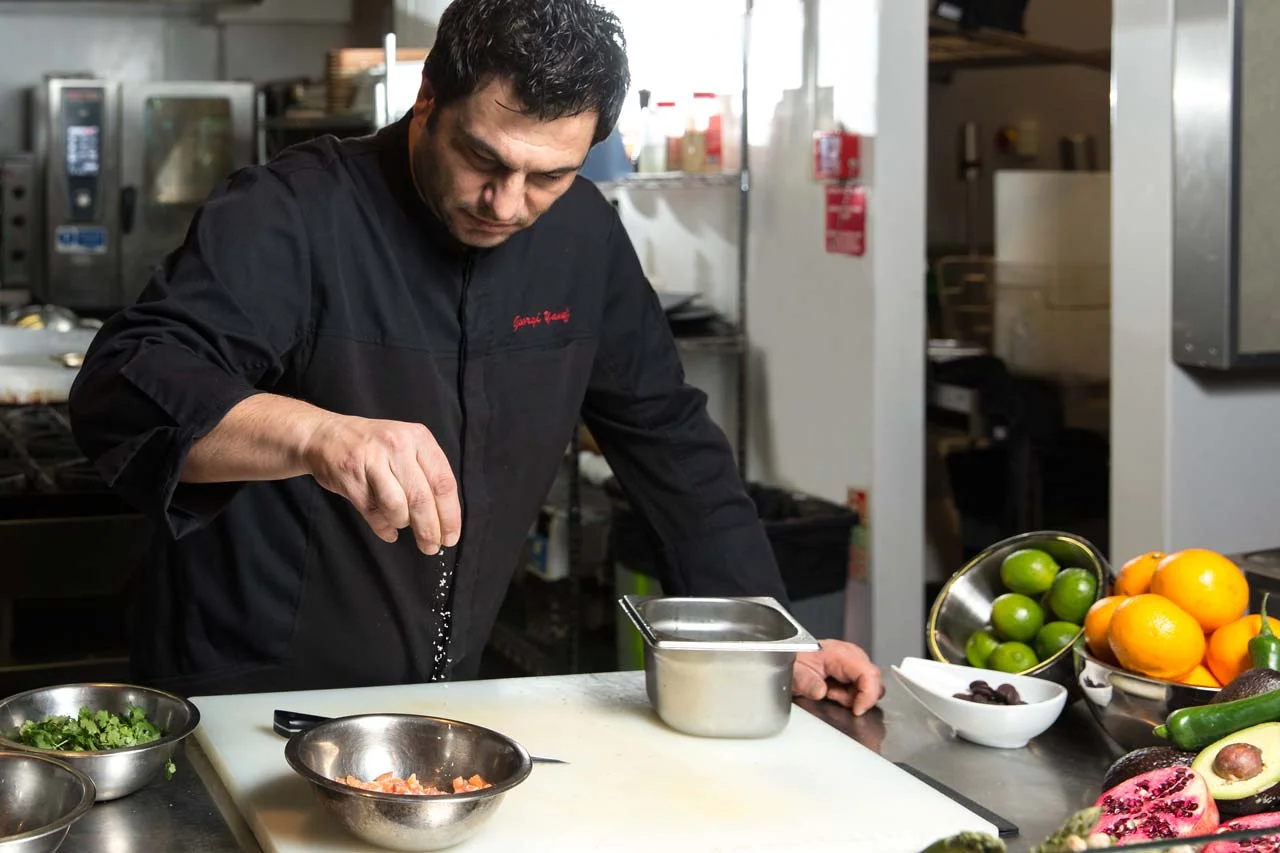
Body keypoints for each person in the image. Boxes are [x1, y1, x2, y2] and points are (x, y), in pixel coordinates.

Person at [69, 0, 884, 713]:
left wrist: (774, 637)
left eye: (549, 176)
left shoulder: (583, 240)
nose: (507, 204)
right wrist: (318, 435)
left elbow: (670, 440)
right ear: (427, 103)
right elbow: (127, 383)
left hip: (444, 700)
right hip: (248, 691)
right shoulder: (293, 212)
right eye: (485, 160)